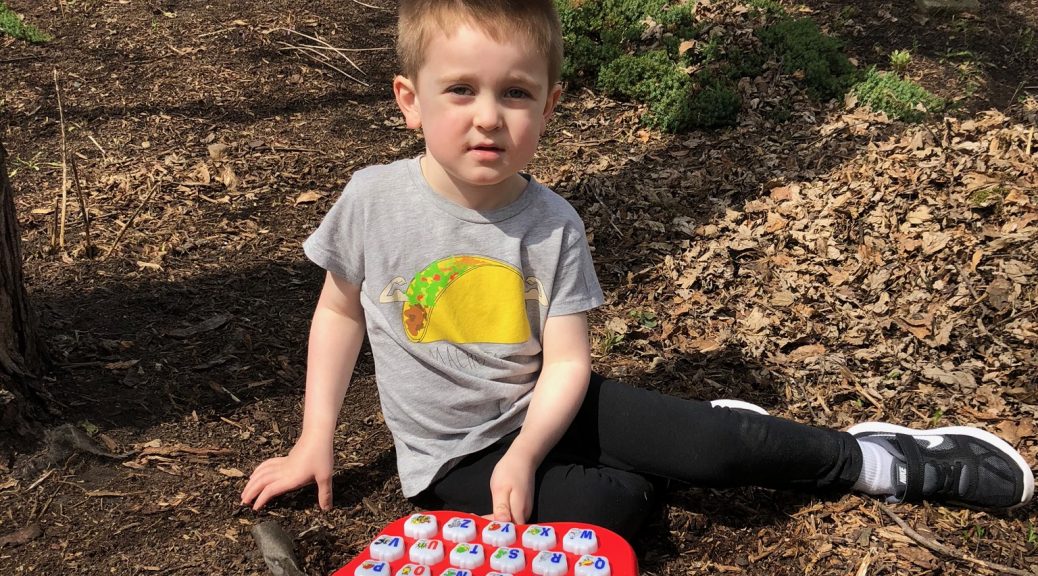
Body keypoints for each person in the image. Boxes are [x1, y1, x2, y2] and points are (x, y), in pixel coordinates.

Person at [240, 0, 1034, 538]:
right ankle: (679, 441)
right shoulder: (371, 200)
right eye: (461, 90)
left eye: (516, 93)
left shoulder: (550, 225)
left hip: (552, 409)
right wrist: (317, 440)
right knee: (616, 515)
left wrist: (525, 452)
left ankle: (874, 458)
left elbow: (567, 366)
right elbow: (340, 313)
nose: (488, 116)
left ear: (548, 107)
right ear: (410, 100)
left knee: (721, 451)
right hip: (453, 458)